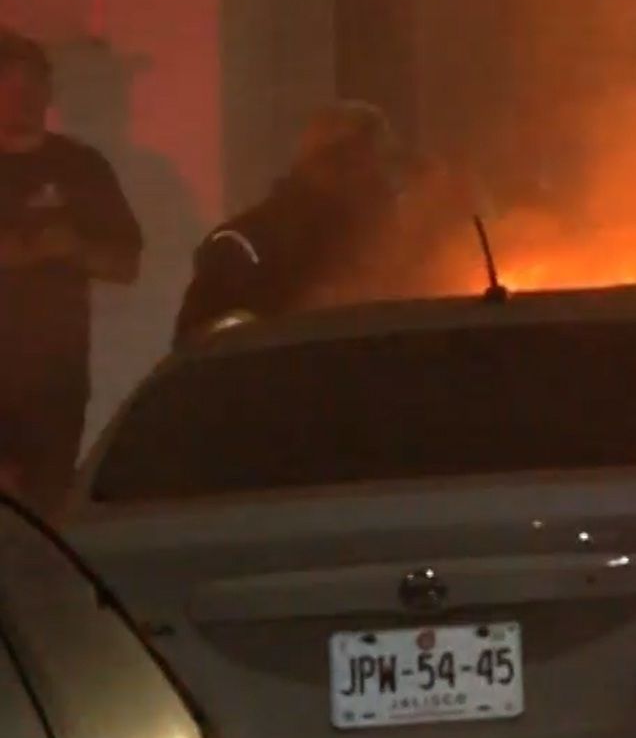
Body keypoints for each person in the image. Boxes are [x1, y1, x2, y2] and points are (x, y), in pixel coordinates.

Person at [0, 30, 142, 515]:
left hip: (54, 382)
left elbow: (126, 264)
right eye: (8, 83)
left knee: (45, 517)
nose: (21, 98)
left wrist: (74, 249)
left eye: (32, 84)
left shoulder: (81, 167)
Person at [173, 100, 411, 346]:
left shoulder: (402, 249)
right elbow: (201, 350)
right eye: (366, 168)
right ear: (324, 167)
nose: (387, 185)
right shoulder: (241, 247)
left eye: (386, 168)